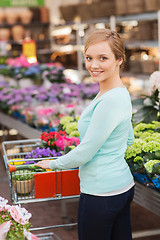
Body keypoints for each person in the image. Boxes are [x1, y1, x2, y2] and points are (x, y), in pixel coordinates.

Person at [35, 28, 135, 240]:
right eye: (89, 58)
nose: (94, 65)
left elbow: (86, 152)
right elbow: (129, 139)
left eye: (103, 58)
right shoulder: (118, 92)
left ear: (119, 59)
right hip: (121, 187)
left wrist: (52, 164)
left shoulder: (109, 100)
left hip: (101, 194)